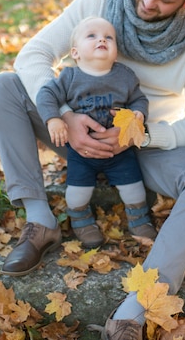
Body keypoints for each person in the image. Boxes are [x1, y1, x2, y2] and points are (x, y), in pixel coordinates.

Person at [0, 0, 185, 340]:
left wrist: (139, 135)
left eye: (164, 0)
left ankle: (135, 309)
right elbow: (32, 55)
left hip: (142, 147)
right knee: (2, 86)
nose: (148, 2)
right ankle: (40, 221)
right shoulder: (101, 0)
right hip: (72, 133)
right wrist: (66, 115)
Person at [35, 16, 157, 249]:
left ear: (115, 52)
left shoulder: (125, 76)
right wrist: (53, 119)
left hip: (119, 152)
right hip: (83, 154)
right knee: (77, 194)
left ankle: (139, 220)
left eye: (108, 37)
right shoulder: (69, 77)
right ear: (75, 52)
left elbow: (139, 99)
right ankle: (81, 220)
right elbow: (46, 95)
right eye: (91, 36)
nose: (101, 38)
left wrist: (138, 115)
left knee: (134, 189)